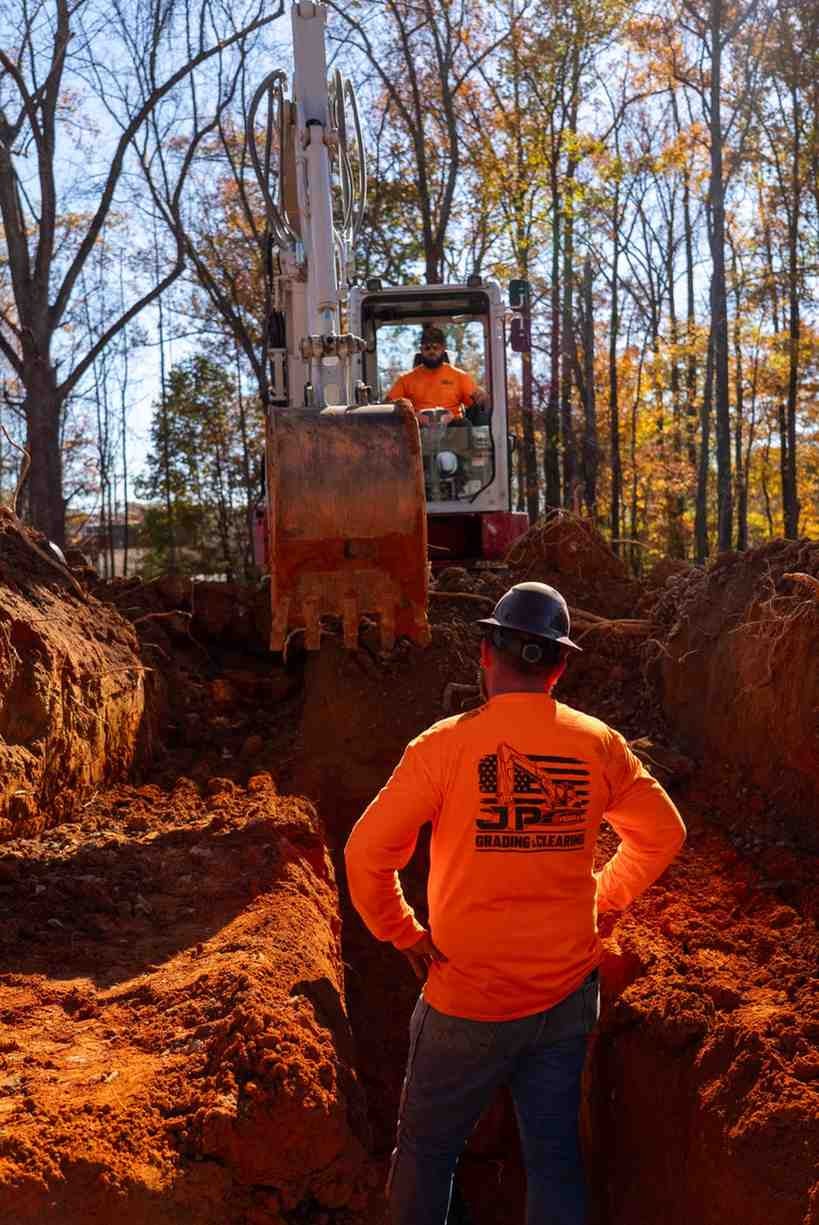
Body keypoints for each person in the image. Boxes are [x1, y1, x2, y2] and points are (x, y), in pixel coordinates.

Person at [344, 582, 686, 1225]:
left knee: (427, 1154)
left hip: (464, 999)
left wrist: (405, 933)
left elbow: (367, 855)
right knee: (554, 1157)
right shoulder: (598, 745)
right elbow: (664, 834)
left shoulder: (443, 747)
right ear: (559, 668)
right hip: (563, 998)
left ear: (485, 654)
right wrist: (602, 900)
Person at [387, 325, 489, 425]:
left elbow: (477, 406)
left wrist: (482, 400)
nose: (432, 351)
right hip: (418, 428)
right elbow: (389, 407)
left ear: (443, 349)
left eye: (436, 348)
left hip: (453, 429)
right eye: (427, 348)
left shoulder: (459, 376)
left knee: (464, 424)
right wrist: (413, 416)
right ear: (421, 350)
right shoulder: (405, 379)